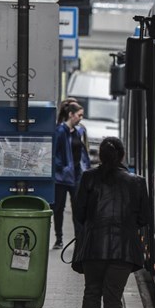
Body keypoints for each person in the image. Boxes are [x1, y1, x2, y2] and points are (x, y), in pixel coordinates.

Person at [72, 137, 151, 308]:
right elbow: (144, 219)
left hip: (93, 249)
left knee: (91, 293)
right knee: (113, 298)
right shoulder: (137, 182)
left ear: (100, 156)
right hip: (123, 251)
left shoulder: (89, 178)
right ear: (122, 155)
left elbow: (79, 213)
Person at [53, 101, 91, 249]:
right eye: (79, 115)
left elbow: (82, 152)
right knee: (59, 208)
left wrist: (85, 168)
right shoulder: (60, 131)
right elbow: (54, 153)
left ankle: (79, 239)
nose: (81, 118)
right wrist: (61, 167)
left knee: (78, 208)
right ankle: (59, 238)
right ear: (71, 115)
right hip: (62, 177)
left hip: (76, 176)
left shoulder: (78, 132)